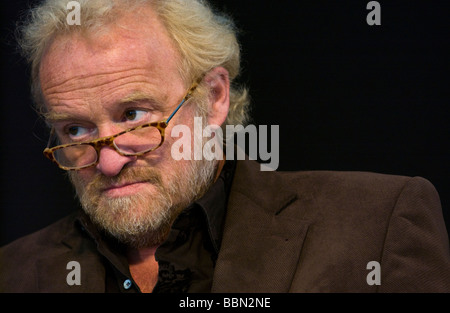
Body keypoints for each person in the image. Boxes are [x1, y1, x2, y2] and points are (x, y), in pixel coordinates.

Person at [1, 0, 449, 293]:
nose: (111, 161)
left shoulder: (379, 225)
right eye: (76, 131)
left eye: (134, 114)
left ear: (214, 97)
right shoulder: (13, 273)